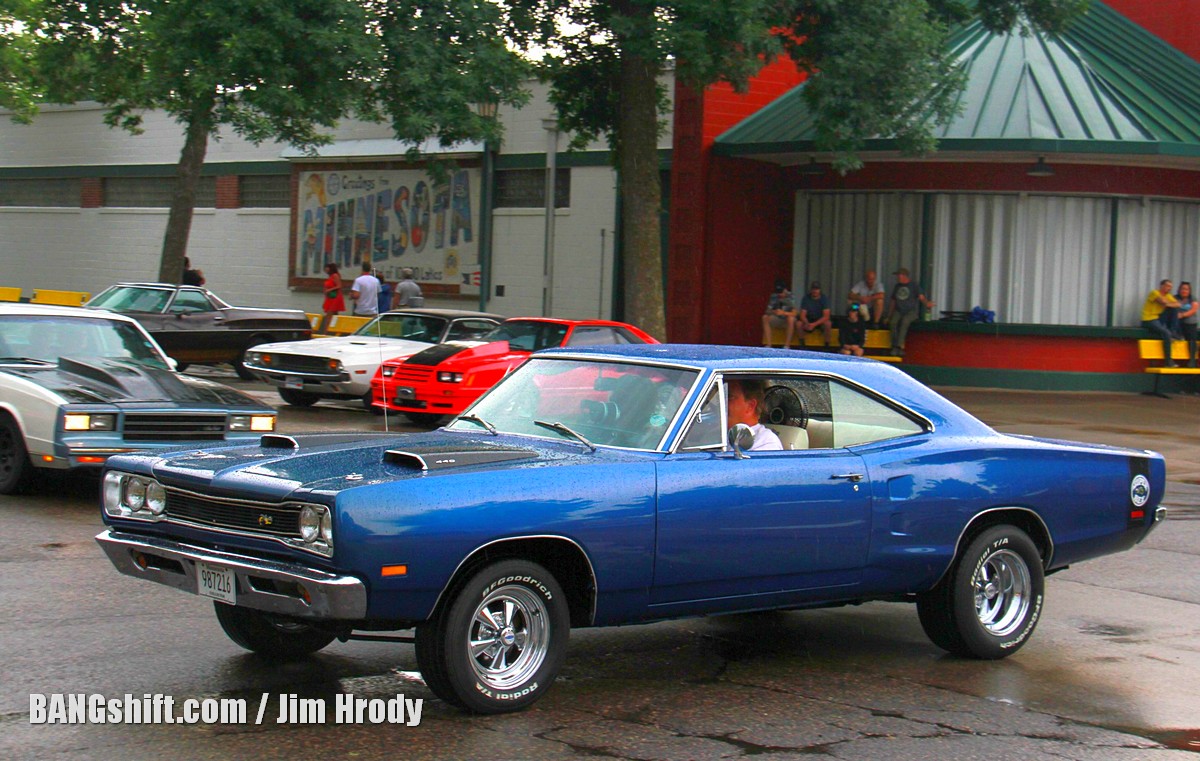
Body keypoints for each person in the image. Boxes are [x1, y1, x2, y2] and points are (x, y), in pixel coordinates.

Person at [887, 267, 934, 357]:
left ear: (904, 276)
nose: (898, 278)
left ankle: (900, 346)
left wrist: (927, 303)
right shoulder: (897, 286)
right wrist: (889, 315)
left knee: (904, 322)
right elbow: (893, 301)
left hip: (910, 311)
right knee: (893, 323)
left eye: (899, 275)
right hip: (898, 310)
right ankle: (894, 345)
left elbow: (921, 297)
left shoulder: (913, 285)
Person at [725, 378, 782, 451]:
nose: (721, 403)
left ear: (750, 406)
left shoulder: (765, 443)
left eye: (729, 397)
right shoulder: (721, 435)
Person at [1141, 279, 1181, 367]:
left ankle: (1173, 332)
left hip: (1159, 318)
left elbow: (1178, 304)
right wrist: (1168, 303)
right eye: (1167, 286)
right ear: (1161, 286)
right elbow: (1162, 301)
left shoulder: (1168, 296)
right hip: (1149, 319)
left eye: (1170, 287)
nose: (1169, 288)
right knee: (1166, 333)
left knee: (1174, 309)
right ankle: (1168, 361)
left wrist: (1168, 304)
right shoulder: (1154, 293)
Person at [761, 279, 797, 348]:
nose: (780, 294)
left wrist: (784, 313)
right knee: (765, 317)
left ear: (785, 289)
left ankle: (787, 345)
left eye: (781, 292)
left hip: (787, 319)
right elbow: (767, 310)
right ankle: (769, 344)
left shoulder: (791, 296)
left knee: (791, 319)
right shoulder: (774, 296)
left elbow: (795, 313)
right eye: (778, 292)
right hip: (777, 318)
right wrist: (775, 312)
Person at [798, 281, 833, 347]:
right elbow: (802, 315)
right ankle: (802, 343)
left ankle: (827, 344)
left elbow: (826, 316)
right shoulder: (806, 298)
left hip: (820, 321)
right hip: (809, 320)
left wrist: (814, 324)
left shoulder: (824, 299)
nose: (815, 291)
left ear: (820, 290)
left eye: (817, 289)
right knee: (798, 324)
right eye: (813, 289)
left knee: (828, 323)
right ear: (811, 290)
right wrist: (807, 323)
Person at [318, 262, 345, 334]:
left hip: (334, 298)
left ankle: (325, 332)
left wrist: (329, 290)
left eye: (327, 268)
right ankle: (336, 331)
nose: (325, 270)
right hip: (330, 298)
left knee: (329, 315)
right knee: (334, 315)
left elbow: (339, 286)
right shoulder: (330, 277)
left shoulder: (335, 275)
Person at [1176, 281, 1197, 368]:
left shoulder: (1192, 299)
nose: (1184, 291)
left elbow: (1193, 310)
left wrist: (1182, 315)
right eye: (1182, 289)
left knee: (1192, 339)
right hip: (1178, 323)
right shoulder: (1175, 298)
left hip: (1190, 322)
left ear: (1189, 291)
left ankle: (1192, 360)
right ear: (1179, 289)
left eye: (1186, 289)